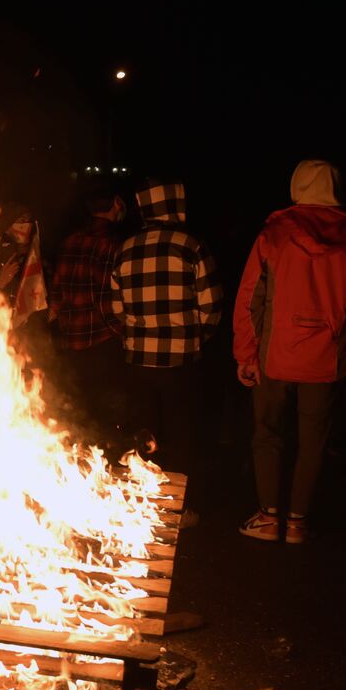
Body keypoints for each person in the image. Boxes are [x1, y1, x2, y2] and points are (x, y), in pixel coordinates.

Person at [232, 159, 346, 543]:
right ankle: (297, 521)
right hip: (327, 360)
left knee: (267, 434)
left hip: (274, 356)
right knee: (314, 441)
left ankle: (268, 517)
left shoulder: (275, 234)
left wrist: (245, 354)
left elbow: (250, 299)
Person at [109, 179, 222, 523]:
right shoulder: (191, 245)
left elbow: (118, 309)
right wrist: (196, 337)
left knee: (145, 432)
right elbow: (211, 304)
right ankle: (180, 508)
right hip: (180, 360)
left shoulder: (126, 248)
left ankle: (143, 504)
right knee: (182, 432)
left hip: (138, 359)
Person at [49, 185, 127, 444]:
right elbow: (105, 300)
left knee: (80, 413)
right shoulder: (111, 244)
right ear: (116, 202)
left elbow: (57, 294)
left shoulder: (70, 241)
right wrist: (120, 332)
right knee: (106, 415)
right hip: (100, 343)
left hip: (72, 342)